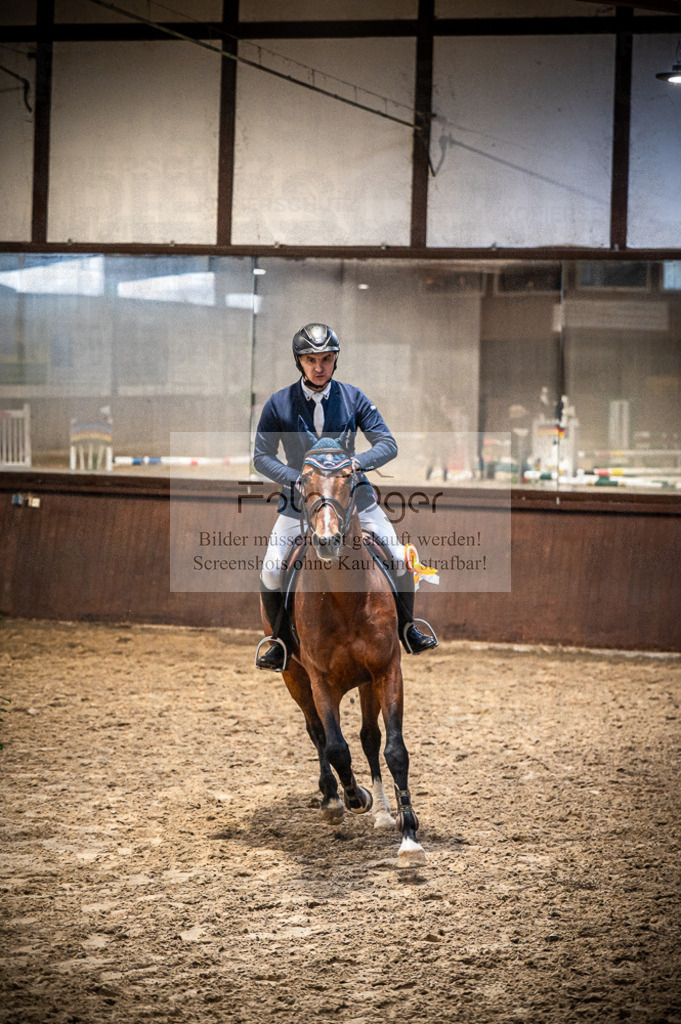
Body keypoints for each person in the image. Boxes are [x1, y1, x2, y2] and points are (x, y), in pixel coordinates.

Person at [253, 322, 438, 671]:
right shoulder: (278, 404)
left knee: (398, 558)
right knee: (272, 571)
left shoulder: (354, 398)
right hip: (298, 507)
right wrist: (297, 478)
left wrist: (356, 464)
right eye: (311, 360)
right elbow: (261, 456)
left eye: (326, 359)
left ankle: (408, 629)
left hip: (355, 503)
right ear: (299, 361)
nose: (319, 367)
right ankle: (277, 642)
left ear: (335, 359)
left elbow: (387, 444)